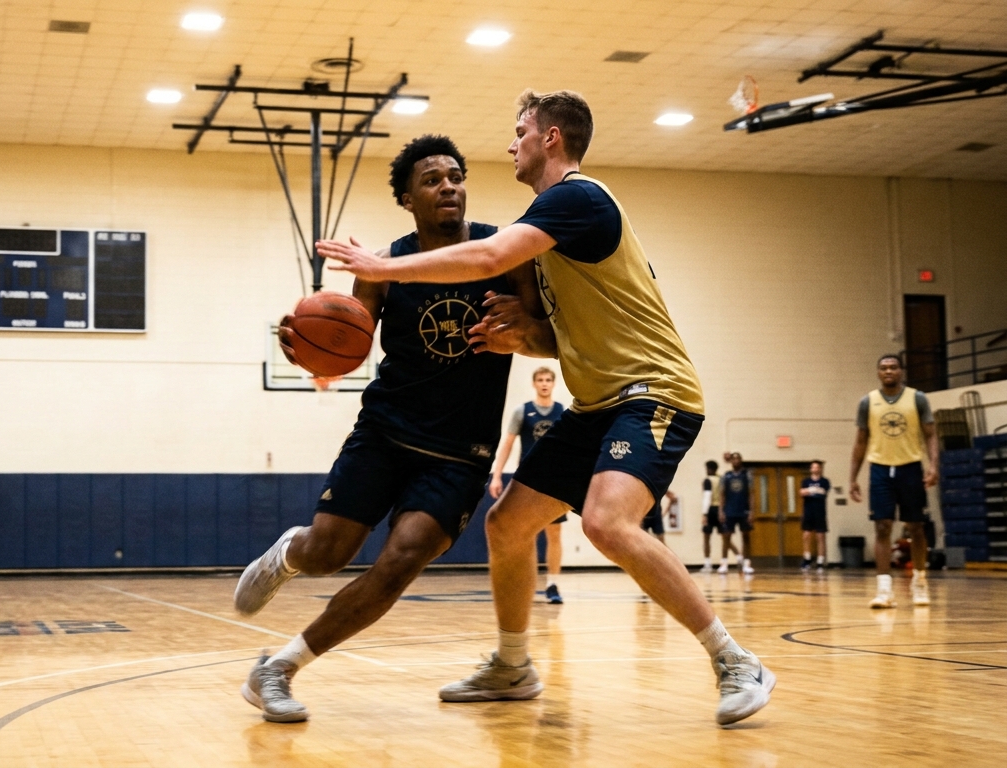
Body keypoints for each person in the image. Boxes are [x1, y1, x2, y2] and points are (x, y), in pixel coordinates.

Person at [318, 89, 774, 725]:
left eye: (520, 131)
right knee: (507, 525)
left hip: (653, 390)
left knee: (606, 523)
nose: (512, 144)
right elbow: (555, 339)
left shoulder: (577, 199)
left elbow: (487, 255)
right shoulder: (550, 228)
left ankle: (735, 660)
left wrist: (381, 267)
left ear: (551, 138)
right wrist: (523, 337)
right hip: (597, 403)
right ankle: (512, 665)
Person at [233, 135, 554, 723]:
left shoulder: (507, 253)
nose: (449, 186)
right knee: (328, 553)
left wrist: (526, 334)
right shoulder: (382, 270)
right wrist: (307, 348)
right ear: (408, 199)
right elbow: (346, 345)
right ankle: (291, 553)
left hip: (460, 452)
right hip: (386, 431)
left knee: (400, 560)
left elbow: (551, 338)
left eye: (455, 175)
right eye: (432, 180)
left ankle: (277, 668)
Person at [849, 354, 938, 608]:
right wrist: (853, 477)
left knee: (916, 527)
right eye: (884, 368)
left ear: (901, 371)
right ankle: (884, 590)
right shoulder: (868, 402)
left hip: (910, 467)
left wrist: (933, 466)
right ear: (878, 372)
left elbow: (931, 435)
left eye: (893, 367)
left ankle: (919, 581)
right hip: (879, 468)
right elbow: (860, 441)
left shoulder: (917, 398)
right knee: (882, 526)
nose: (888, 371)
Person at [489, 366, 567, 603]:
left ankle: (553, 585)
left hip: (552, 481)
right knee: (525, 534)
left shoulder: (562, 412)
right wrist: (496, 475)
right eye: (540, 380)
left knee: (554, 534)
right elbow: (507, 444)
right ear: (534, 384)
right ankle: (527, 582)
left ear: (553, 384)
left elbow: (567, 449)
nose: (544, 383)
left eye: (548, 380)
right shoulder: (522, 411)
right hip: (527, 480)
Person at [720, 453, 755, 575]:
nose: (735, 461)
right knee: (726, 537)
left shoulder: (747, 475)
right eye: (733, 459)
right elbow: (722, 495)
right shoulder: (726, 476)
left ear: (741, 460)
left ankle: (747, 564)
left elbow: (751, 494)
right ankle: (724, 564)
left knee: (746, 537)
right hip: (729, 510)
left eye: (738, 458)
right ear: (731, 461)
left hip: (743, 510)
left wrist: (751, 511)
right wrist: (721, 510)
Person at [800, 460, 831, 570]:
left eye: (817, 467)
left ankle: (820, 561)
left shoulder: (825, 481)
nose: (815, 469)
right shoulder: (806, 481)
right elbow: (802, 492)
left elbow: (823, 492)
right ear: (811, 469)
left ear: (820, 469)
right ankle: (807, 558)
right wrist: (812, 490)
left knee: (820, 537)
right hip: (808, 511)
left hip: (820, 512)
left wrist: (812, 491)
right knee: (806, 535)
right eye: (813, 467)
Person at [700, 460, 726, 572]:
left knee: (706, 538)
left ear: (710, 469)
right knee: (726, 537)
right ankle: (739, 557)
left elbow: (707, 496)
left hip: (711, 509)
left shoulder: (708, 480)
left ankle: (707, 564)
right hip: (721, 509)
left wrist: (704, 514)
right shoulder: (721, 479)